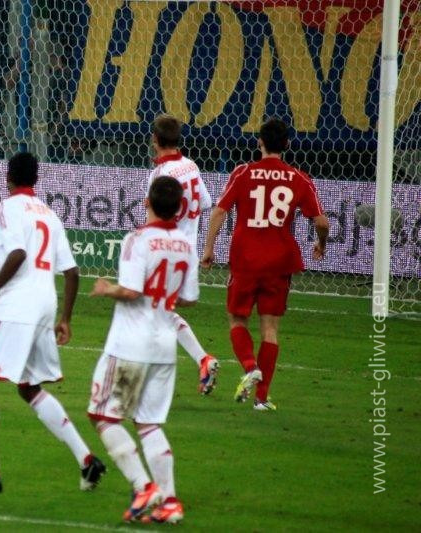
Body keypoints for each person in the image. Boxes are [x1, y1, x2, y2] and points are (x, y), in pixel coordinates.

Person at [0, 152, 106, 493]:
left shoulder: (7, 207)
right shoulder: (49, 214)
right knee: (28, 387)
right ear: (36, 178)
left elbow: (17, 253)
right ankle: (86, 460)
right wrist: (65, 318)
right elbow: (72, 272)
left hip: (17, 305)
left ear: (8, 176)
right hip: (45, 304)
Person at [201, 118, 329, 410]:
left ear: (259, 141)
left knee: (237, 319)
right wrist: (321, 244)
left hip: (245, 258)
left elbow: (219, 211)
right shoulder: (299, 178)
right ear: (287, 144)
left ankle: (250, 367)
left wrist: (208, 248)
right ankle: (261, 398)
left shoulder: (243, 172)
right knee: (270, 328)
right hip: (279, 262)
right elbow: (321, 222)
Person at [88, 176, 194, 524]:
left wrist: (107, 289)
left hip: (131, 345)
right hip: (165, 346)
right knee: (148, 424)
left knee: (103, 416)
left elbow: (132, 291)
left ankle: (143, 486)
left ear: (147, 202)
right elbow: (189, 298)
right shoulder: (185, 243)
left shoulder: (137, 239)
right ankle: (170, 502)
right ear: (179, 208)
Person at [148, 114, 219, 395]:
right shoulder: (191, 165)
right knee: (160, 311)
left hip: (166, 251)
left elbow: (154, 217)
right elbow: (206, 202)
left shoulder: (160, 175)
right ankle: (203, 360)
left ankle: (160, 377)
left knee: (152, 311)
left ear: (155, 139)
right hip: (187, 250)